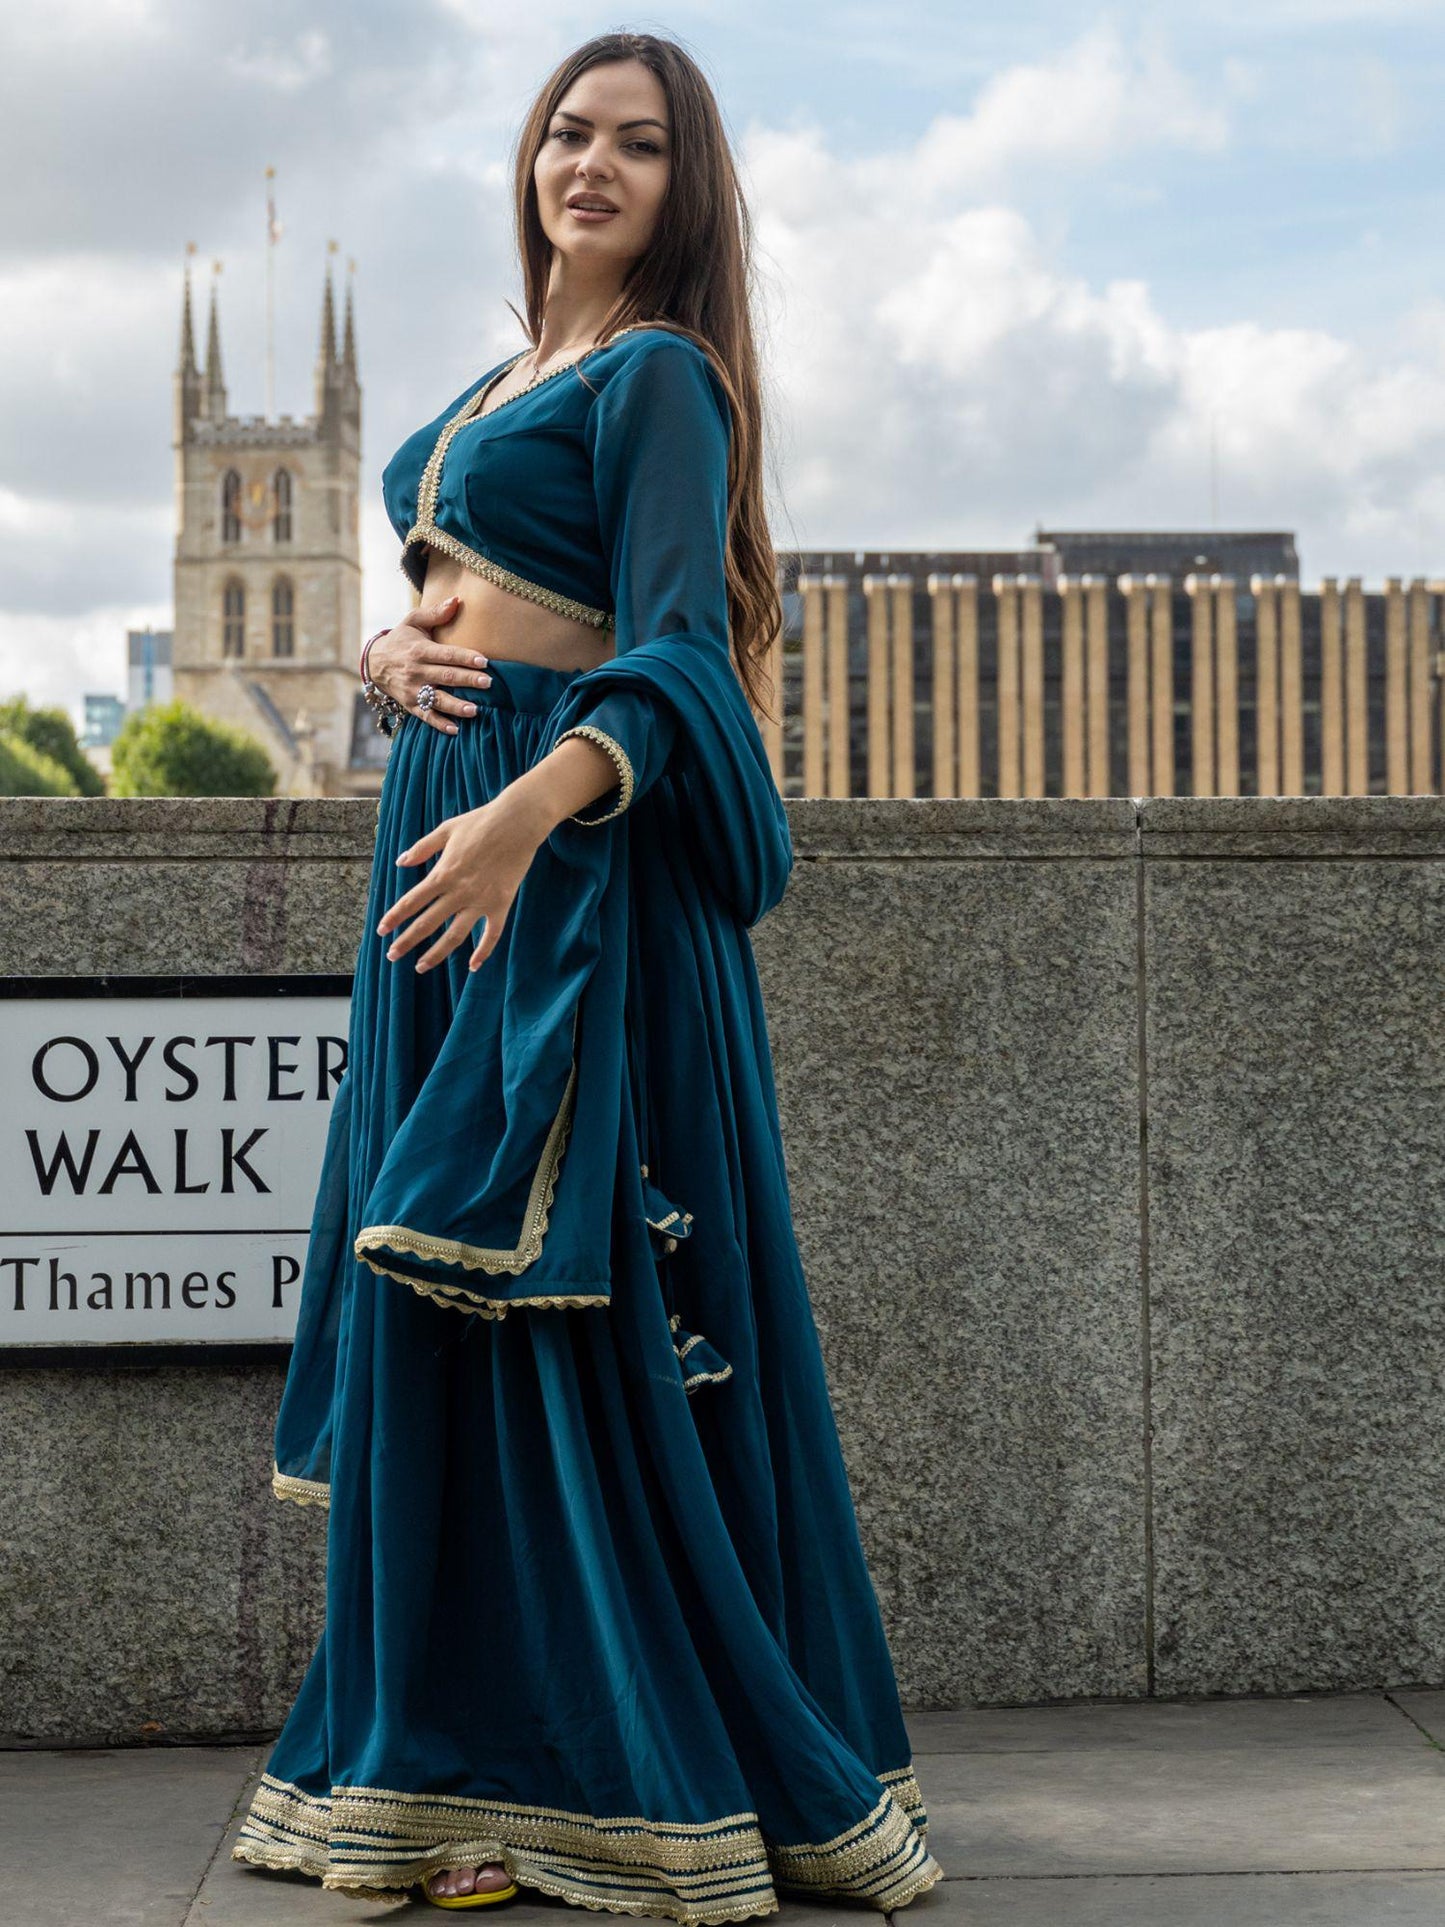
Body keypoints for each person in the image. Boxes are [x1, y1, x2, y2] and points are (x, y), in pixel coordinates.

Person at [231, 30, 944, 1920]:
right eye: (568, 131)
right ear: (529, 158)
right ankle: (459, 1766)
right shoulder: (498, 382)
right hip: (450, 856)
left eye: (638, 143)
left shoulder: (662, 384)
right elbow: (451, 581)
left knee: (568, 1317)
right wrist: (382, 666)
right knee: (438, 1319)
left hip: (566, 882)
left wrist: (524, 814)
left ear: (681, 183)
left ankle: (599, 1773)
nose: (593, 164)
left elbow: (683, 656)